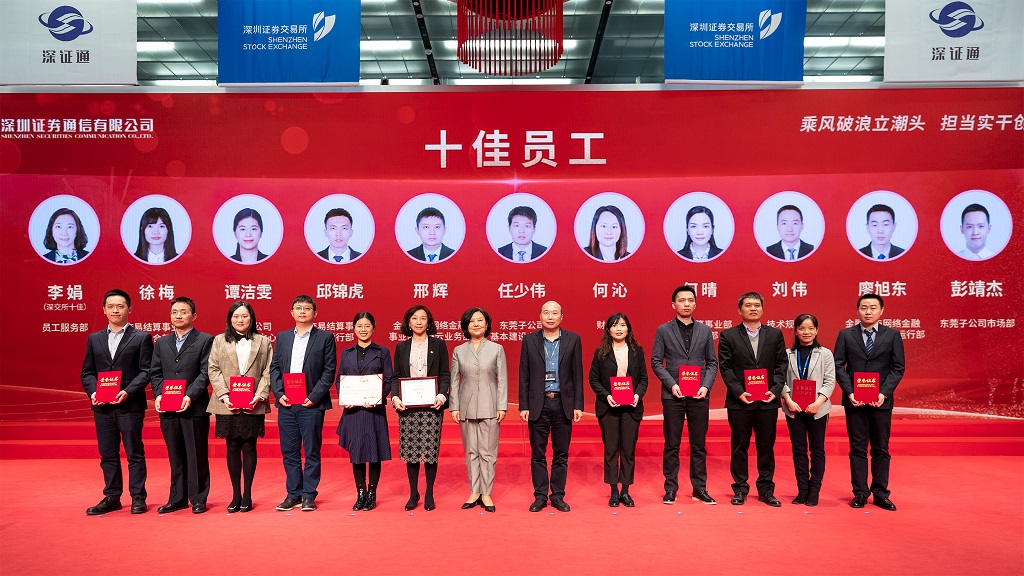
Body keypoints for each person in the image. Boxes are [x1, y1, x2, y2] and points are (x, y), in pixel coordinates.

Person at [80, 289, 153, 515]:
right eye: (111, 306)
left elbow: (147, 371)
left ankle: (138, 497)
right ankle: (112, 496)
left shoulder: (141, 337)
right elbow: (87, 372)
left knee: (134, 453)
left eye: (120, 306)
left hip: (129, 405)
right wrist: (93, 392)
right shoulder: (94, 339)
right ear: (104, 310)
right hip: (102, 407)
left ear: (129, 309)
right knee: (108, 454)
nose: (115, 310)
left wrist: (128, 391)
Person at [834, 293, 905, 511]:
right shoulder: (846, 335)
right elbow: (838, 365)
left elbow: (898, 367)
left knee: (880, 448)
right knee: (857, 448)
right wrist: (849, 392)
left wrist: (884, 392)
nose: (868, 311)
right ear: (857, 311)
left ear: (881, 311)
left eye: (873, 307)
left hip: (881, 402)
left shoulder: (892, 335)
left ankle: (881, 493)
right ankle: (860, 493)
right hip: (854, 401)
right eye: (864, 307)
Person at [717, 292, 788, 507]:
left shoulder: (775, 334)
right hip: (740, 401)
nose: (753, 308)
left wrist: (775, 390)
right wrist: (739, 391)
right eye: (748, 305)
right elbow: (726, 367)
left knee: (766, 446)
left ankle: (766, 490)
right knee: (740, 446)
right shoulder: (728, 335)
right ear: (740, 310)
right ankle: (740, 488)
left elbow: (782, 364)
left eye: (757, 305)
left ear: (762, 309)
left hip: (767, 400)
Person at [650, 285, 719, 505]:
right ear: (674, 304)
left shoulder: (705, 330)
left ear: (695, 303)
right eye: (681, 300)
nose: (686, 304)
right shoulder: (663, 330)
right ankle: (670, 488)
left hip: (699, 394)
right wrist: (671, 384)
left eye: (690, 300)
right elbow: (656, 361)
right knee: (672, 444)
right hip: (673, 394)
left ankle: (700, 488)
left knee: (699, 444)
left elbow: (712, 362)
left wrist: (706, 386)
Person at [270, 296, 337, 512]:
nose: (302, 311)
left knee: (311, 451)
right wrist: (279, 393)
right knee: (289, 451)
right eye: (298, 308)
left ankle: (309, 494)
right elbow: (275, 368)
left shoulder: (325, 338)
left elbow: (329, 371)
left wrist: (315, 396)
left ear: (314, 313)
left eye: (307, 308)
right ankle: (293, 494)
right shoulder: (282, 337)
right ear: (291, 312)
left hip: (311, 404)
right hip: (287, 403)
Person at [206, 301, 272, 513]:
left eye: (244, 316)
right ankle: (236, 494)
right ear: (230, 319)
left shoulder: (263, 341)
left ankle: (248, 494)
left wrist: (260, 395)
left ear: (251, 318)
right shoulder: (219, 340)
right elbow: (213, 368)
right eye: (236, 316)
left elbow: (268, 370)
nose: (240, 320)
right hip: (227, 402)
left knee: (250, 445)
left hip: (253, 401)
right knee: (232, 445)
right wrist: (224, 395)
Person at [150, 296, 214, 514]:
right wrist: (159, 394)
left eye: (183, 312)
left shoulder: (205, 340)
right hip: (168, 407)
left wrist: (189, 395)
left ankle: (198, 498)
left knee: (196, 454)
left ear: (193, 315)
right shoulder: (161, 342)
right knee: (175, 454)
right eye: (174, 312)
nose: (178, 316)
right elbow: (155, 372)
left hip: (194, 407)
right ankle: (177, 498)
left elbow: (206, 373)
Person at [519, 301, 584, 512]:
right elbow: (524, 375)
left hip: (563, 402)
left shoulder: (573, 339)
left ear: (561, 317)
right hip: (538, 403)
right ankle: (540, 496)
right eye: (546, 313)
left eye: (554, 313)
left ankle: (557, 495)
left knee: (561, 453)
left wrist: (578, 404)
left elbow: (577, 374)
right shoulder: (529, 340)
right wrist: (524, 405)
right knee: (537, 454)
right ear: (540, 316)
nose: (550, 316)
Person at [392, 305, 450, 512]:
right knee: (412, 453)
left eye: (423, 318)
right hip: (408, 407)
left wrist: (442, 395)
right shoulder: (401, 348)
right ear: (408, 322)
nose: (418, 322)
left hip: (432, 406)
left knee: (430, 452)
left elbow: (445, 374)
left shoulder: (439, 344)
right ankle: (413, 493)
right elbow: (396, 377)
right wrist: (395, 397)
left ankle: (429, 493)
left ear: (428, 322)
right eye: (414, 318)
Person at [449, 307, 508, 513]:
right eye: (472, 321)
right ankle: (474, 491)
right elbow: (454, 381)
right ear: (466, 326)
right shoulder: (459, 350)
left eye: (480, 320)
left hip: (490, 405)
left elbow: (502, 380)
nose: (476, 324)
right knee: (471, 451)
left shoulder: (496, 349)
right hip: (466, 406)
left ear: (487, 325)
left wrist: (502, 406)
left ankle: (487, 493)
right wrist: (454, 406)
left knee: (488, 452)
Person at [588, 313, 648, 507]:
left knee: (628, 451)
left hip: (631, 408)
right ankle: (614, 491)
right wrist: (607, 396)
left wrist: (637, 395)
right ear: (608, 330)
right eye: (614, 325)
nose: (619, 329)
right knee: (611, 450)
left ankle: (626, 491)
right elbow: (593, 379)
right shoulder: (601, 352)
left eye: (622, 325)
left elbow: (644, 378)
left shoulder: (637, 351)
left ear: (628, 329)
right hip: (609, 409)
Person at [336, 312, 392, 511]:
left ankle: (372, 493)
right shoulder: (346, 353)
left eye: (367, 326)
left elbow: (388, 380)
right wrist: (345, 398)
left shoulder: (382, 352)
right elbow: (340, 380)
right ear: (353, 329)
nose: (363, 329)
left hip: (374, 411)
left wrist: (377, 399)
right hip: (353, 412)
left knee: (375, 452)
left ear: (373, 329)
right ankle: (361, 493)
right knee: (357, 453)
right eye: (359, 326)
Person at [780, 314, 835, 507]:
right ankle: (802, 490)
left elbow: (830, 381)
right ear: (795, 330)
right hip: (794, 408)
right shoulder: (787, 354)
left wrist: (818, 403)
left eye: (811, 328)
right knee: (799, 450)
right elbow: (780, 379)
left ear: (817, 330)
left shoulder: (825, 354)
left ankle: (814, 490)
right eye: (802, 328)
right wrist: (788, 400)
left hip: (818, 409)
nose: (806, 332)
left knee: (817, 449)